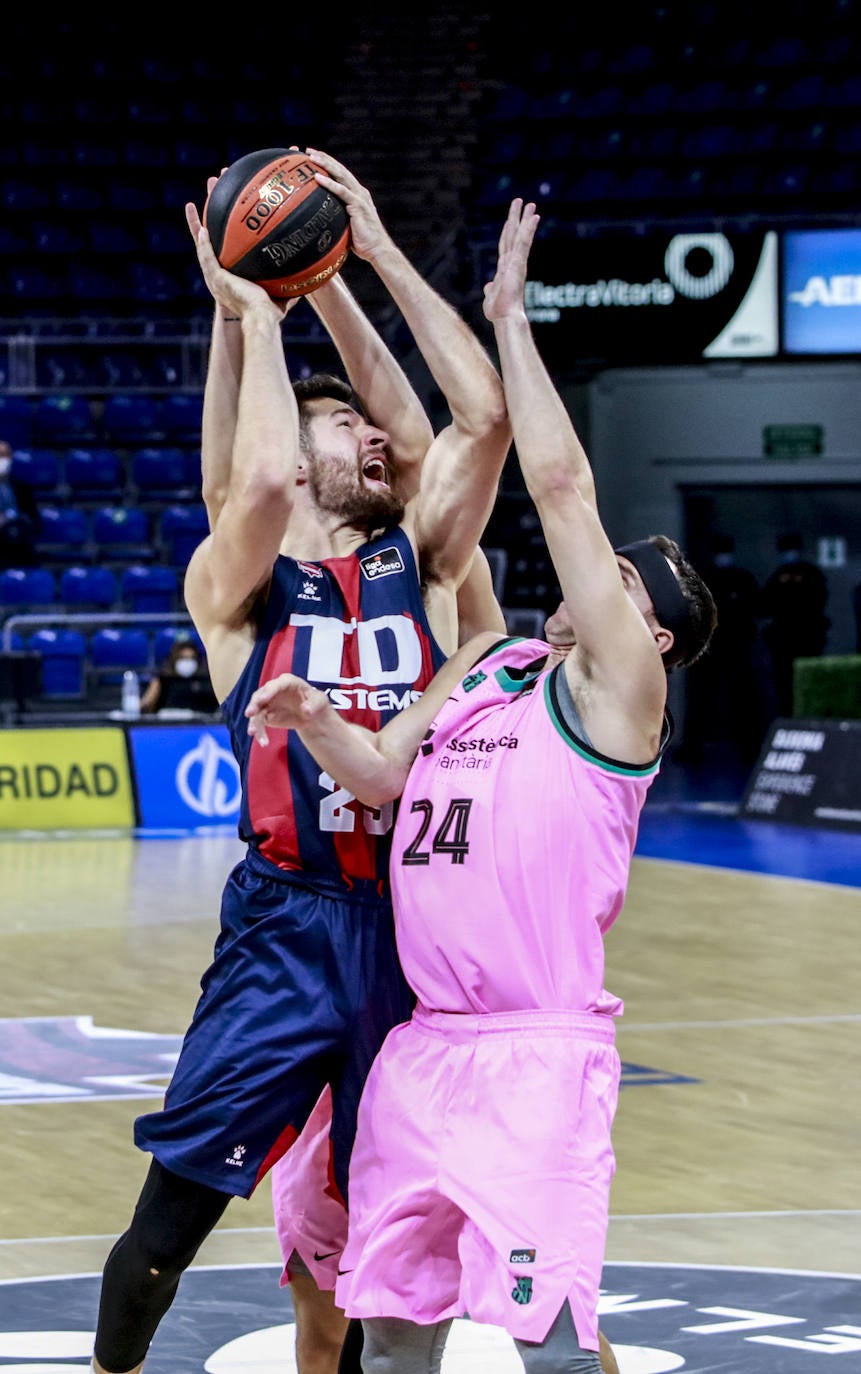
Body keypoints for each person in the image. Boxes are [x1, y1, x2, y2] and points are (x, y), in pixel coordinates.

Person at [244, 198, 717, 1374]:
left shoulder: (621, 698)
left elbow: (554, 482)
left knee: (545, 1343)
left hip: (534, 1057)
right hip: (424, 1046)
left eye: (622, 583)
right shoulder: (491, 662)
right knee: (393, 1336)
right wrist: (313, 720)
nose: (596, 580)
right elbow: (383, 774)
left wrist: (510, 320)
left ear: (654, 638)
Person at [90, 148, 511, 1374]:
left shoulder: (428, 566)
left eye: (370, 426)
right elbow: (257, 477)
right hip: (284, 925)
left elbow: (475, 424)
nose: (373, 437)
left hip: (416, 929)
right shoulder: (237, 590)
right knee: (168, 1225)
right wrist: (253, 315)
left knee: (382, 1254)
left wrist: (357, 258)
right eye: (347, 426)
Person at [761, 531, 830, 717]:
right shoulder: (778, 576)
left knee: (809, 680)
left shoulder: (811, 574)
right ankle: (788, 715)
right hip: (784, 642)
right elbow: (766, 605)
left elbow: (819, 601)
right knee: (785, 684)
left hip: (808, 639)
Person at [139, 636, 220, 716]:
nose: (187, 662)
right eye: (183, 658)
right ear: (174, 659)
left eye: (191, 658)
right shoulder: (162, 680)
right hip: (169, 720)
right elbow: (146, 704)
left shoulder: (206, 682)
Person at [0, 438, 39, 569]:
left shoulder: (23, 488)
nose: (1, 460)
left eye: (4, 455)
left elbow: (36, 521)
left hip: (21, 541)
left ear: (10, 458)